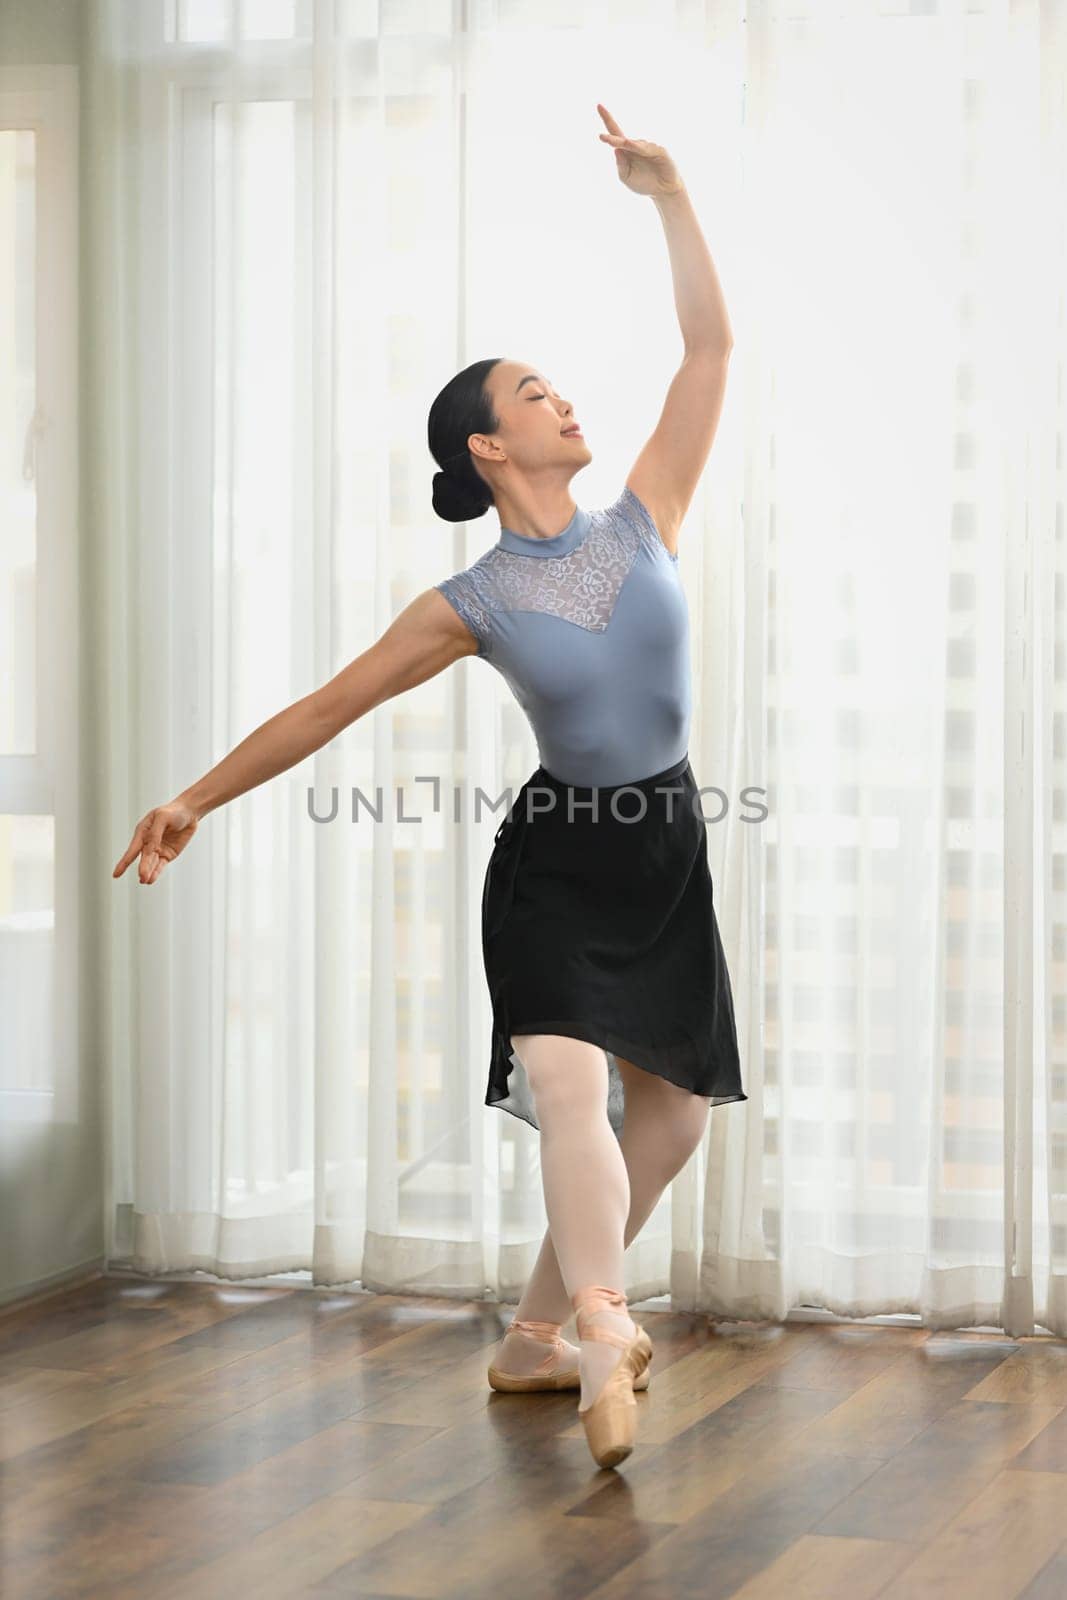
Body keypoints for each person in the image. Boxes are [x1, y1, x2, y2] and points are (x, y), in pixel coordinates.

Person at [113, 104, 745, 1471]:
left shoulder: (648, 515)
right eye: (533, 394)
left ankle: (528, 1342)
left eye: (559, 386)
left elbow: (709, 349)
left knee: (677, 1116)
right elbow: (329, 707)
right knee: (571, 1091)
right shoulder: (468, 600)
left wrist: (669, 195)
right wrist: (195, 798)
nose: (564, 400)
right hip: (557, 865)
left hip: (667, 844)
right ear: (487, 450)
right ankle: (598, 1328)